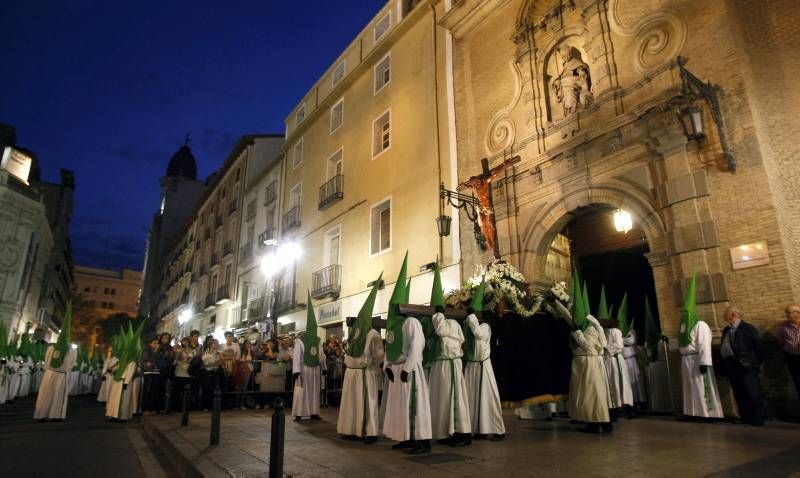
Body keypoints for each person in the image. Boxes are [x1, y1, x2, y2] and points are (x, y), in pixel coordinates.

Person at [383, 254, 432, 454]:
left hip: (408, 371)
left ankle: (422, 441)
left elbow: (416, 345)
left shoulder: (411, 322)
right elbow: (389, 347)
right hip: (396, 370)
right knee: (399, 407)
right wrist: (387, 365)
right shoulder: (393, 327)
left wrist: (408, 368)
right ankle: (404, 437)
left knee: (415, 405)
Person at [561, 274, 612, 433]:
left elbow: (589, 347)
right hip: (582, 364)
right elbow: (567, 317)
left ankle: (599, 422)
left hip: (590, 364)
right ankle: (593, 421)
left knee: (593, 394)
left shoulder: (590, 327)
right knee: (586, 394)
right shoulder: (585, 325)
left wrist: (576, 333)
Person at [337, 276, 384, 443]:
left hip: (365, 373)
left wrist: (370, 365)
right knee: (351, 404)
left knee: (367, 403)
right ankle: (352, 429)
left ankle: (369, 432)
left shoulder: (372, 334)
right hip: (353, 373)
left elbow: (379, 356)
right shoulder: (356, 334)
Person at [428, 263, 471, 447]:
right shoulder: (434, 323)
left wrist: (437, 315)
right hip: (440, 365)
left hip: (451, 364)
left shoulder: (451, 323)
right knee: (442, 399)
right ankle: (446, 431)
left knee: (454, 398)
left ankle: (462, 433)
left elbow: (441, 330)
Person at [463, 279, 506, 441]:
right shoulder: (471, 325)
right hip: (472, 366)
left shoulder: (485, 327)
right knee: (472, 400)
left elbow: (479, 334)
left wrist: (472, 317)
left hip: (483, 367)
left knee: (488, 399)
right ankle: (478, 429)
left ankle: (498, 429)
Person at [678, 273, 723, 420]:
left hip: (697, 359)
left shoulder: (700, 325)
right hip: (686, 360)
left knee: (701, 386)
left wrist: (704, 362)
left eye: (686, 312)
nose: (684, 314)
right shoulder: (684, 327)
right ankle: (692, 412)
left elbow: (704, 345)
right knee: (690, 387)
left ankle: (707, 413)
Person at [720, 306, 764, 425]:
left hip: (746, 366)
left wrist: (753, 363)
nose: (724, 317)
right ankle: (745, 417)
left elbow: (758, 348)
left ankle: (758, 418)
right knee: (739, 393)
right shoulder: (726, 330)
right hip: (732, 366)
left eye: (726, 314)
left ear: (733, 315)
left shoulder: (747, 328)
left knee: (752, 392)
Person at [34, 304, 77, 421]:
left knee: (49, 394)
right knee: (54, 395)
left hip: (51, 374)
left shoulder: (52, 348)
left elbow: (47, 361)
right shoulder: (70, 351)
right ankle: (53, 415)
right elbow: (72, 364)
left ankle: (45, 414)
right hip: (59, 375)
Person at [293, 293, 327, 420]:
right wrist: (296, 371)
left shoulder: (318, 340)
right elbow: (297, 356)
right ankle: (299, 413)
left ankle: (314, 412)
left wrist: (324, 368)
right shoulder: (300, 340)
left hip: (315, 370)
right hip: (304, 369)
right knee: (302, 392)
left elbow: (321, 355)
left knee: (314, 392)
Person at [605, 293, 634, 417]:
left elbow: (619, 345)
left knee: (621, 382)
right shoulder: (605, 332)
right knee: (612, 384)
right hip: (608, 360)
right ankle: (615, 408)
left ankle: (627, 407)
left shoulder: (616, 331)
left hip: (616, 359)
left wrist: (606, 348)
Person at [777, 304, 800, 397]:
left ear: (797, 313)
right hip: (794, 359)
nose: (787, 315)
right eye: (786, 313)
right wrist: (788, 348)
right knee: (798, 382)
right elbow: (781, 341)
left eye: (788, 313)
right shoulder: (783, 327)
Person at [142, 337, 163, 414]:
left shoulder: (160, 353)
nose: (156, 345)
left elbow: (159, 363)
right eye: (154, 343)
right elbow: (148, 362)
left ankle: (152, 408)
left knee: (154, 391)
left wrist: (153, 364)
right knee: (147, 391)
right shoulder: (146, 352)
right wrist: (152, 363)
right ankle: (145, 409)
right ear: (150, 344)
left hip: (156, 373)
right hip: (148, 373)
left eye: (158, 343)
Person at [200, 337, 222, 411]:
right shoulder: (206, 351)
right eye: (215, 344)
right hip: (206, 372)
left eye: (217, 344)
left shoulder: (218, 353)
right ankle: (204, 406)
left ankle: (210, 405)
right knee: (206, 389)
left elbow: (219, 363)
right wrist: (213, 364)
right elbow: (204, 363)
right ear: (211, 344)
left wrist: (213, 364)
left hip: (214, 372)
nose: (216, 345)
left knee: (212, 389)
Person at [235, 340, 255, 409]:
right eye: (247, 344)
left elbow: (249, 359)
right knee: (239, 388)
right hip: (241, 370)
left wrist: (249, 351)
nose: (248, 345)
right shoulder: (241, 351)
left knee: (244, 388)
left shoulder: (251, 352)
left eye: (249, 344)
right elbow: (240, 360)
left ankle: (241, 404)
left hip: (248, 370)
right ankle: (237, 404)